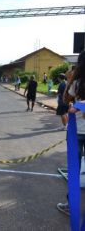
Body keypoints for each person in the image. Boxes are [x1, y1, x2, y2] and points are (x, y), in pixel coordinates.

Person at [57, 50, 85, 215]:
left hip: (78, 131)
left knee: (74, 169)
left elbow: (65, 100)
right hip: (78, 130)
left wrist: (69, 79)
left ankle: (70, 205)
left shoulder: (78, 82)